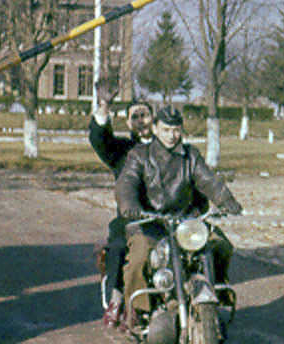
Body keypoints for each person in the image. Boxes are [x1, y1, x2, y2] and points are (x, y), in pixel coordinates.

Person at [117, 105, 243, 323]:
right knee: (138, 258)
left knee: (221, 245)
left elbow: (207, 180)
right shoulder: (139, 155)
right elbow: (127, 182)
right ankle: (139, 311)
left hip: (187, 223)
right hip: (151, 223)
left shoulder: (190, 155)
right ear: (155, 128)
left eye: (176, 130)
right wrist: (130, 205)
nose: (171, 135)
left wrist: (226, 199)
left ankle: (217, 292)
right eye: (166, 129)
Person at [88, 78, 153, 328]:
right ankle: (117, 299)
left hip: (167, 217)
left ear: (153, 119)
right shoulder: (122, 150)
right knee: (118, 246)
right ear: (128, 123)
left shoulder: (166, 147)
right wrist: (104, 105)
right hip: (130, 218)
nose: (140, 121)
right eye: (134, 117)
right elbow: (99, 139)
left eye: (144, 115)